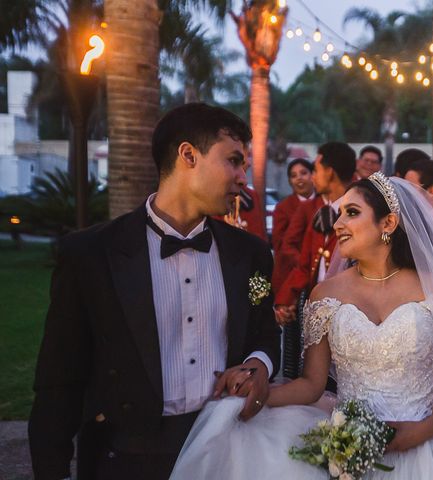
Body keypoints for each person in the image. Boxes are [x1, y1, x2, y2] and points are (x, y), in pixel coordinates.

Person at [170, 172, 433, 480]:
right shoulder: (325, 296)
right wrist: (261, 395)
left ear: (388, 224)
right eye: (338, 214)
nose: (337, 225)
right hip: (347, 442)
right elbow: (313, 386)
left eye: (352, 213)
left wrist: (428, 426)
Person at [28, 103, 281, 480]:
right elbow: (59, 380)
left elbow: (264, 331)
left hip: (226, 449)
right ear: (188, 155)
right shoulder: (92, 255)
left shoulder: (251, 254)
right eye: (233, 161)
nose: (243, 177)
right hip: (126, 456)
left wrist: (259, 364)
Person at [274, 141, 356, 324]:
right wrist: (284, 302)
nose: (313, 178)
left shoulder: (361, 211)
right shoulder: (319, 212)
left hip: (351, 312)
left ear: (330, 172)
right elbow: (305, 265)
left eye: (316, 171)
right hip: (317, 308)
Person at [272, 158, 315, 292]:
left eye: (303, 173)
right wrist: (303, 263)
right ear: (290, 181)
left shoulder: (324, 203)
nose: (299, 179)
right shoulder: (283, 207)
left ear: (313, 175)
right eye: (294, 176)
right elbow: (280, 244)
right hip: (291, 273)